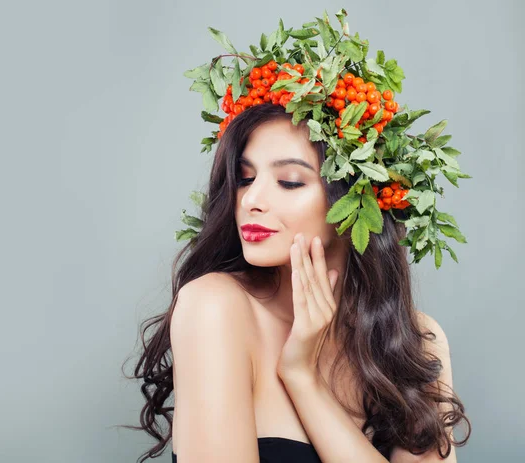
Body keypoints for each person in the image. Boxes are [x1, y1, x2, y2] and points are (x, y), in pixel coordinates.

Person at [122, 11, 472, 463]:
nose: (251, 200)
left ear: (357, 201)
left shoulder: (416, 340)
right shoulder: (216, 308)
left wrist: (302, 378)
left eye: (289, 181)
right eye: (245, 179)